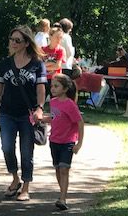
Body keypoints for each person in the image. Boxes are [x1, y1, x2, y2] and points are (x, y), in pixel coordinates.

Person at [0, 25, 46, 202]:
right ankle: (14, 178)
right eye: (11, 39)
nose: (13, 43)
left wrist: (40, 108)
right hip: (7, 112)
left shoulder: (37, 64)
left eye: (17, 40)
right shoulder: (5, 64)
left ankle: (26, 186)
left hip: (27, 115)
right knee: (6, 147)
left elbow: (41, 89)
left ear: (27, 43)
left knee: (26, 151)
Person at [41, 73, 84, 210]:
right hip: (54, 140)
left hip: (68, 142)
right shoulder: (53, 102)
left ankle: (63, 198)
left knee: (64, 169)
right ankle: (62, 193)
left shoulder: (70, 105)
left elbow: (80, 123)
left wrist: (79, 143)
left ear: (65, 89)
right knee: (58, 169)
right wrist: (41, 118)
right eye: (52, 86)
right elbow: (54, 118)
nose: (52, 89)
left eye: (56, 86)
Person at [42, 27, 66, 97]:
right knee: (40, 100)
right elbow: (39, 66)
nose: (59, 39)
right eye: (57, 37)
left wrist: (45, 65)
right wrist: (52, 63)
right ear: (50, 36)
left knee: (55, 101)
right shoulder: (43, 50)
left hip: (56, 80)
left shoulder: (60, 50)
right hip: (44, 79)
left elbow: (57, 66)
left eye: (60, 37)